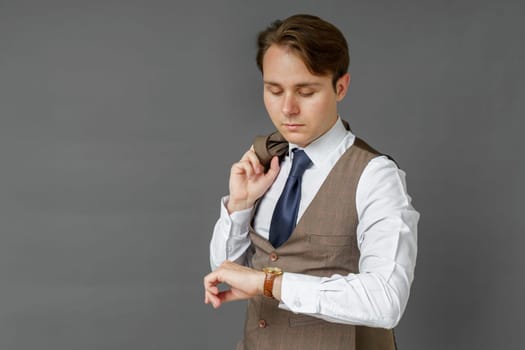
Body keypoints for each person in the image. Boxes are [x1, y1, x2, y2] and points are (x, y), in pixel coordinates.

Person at [203, 14, 419, 350]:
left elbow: (386, 299)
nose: (287, 108)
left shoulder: (375, 176)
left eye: (305, 92)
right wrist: (240, 206)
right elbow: (226, 273)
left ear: (340, 87)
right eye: (274, 90)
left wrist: (269, 283)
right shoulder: (266, 161)